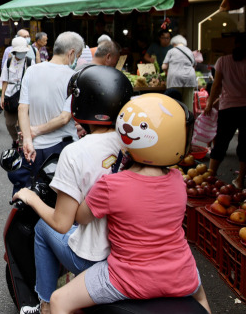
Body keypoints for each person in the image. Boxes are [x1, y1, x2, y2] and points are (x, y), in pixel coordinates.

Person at [50, 94, 211, 314]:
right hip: (181, 273)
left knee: (59, 300)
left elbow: (80, 218)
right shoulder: (177, 180)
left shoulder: (111, 184)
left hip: (128, 279)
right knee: (201, 298)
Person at [13, 65, 133, 314]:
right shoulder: (131, 143)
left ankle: (45, 304)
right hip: (129, 252)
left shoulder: (75, 152)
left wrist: (32, 198)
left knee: (43, 227)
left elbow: (61, 223)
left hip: (94, 257)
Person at [17, 32, 84, 188]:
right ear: (71, 53)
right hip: (61, 149)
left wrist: (28, 138)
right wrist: (35, 131)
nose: (76, 60)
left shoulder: (31, 71)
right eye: (77, 56)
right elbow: (64, 118)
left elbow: (22, 108)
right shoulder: (74, 78)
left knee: (31, 193)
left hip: (33, 148)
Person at [205, 32, 246, 189]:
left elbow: (216, 85)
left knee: (220, 143)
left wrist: (209, 104)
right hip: (245, 109)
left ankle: (210, 177)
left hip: (228, 108)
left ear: (234, 44)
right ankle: (240, 180)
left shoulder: (223, 61)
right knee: (244, 146)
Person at [0, 37, 33, 148]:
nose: (22, 53)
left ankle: (22, 145)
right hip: (10, 95)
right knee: (9, 123)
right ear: (15, 52)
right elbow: (4, 80)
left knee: (22, 123)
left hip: (24, 95)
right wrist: (2, 97)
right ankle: (15, 139)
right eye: (20, 52)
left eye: (24, 51)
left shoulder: (29, 62)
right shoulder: (9, 62)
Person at [162, 35, 197, 111]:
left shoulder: (171, 51)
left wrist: (166, 73)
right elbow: (194, 65)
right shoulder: (189, 51)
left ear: (174, 43)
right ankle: (188, 120)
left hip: (175, 79)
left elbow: (164, 66)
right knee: (188, 105)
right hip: (190, 79)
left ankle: (177, 121)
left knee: (175, 103)